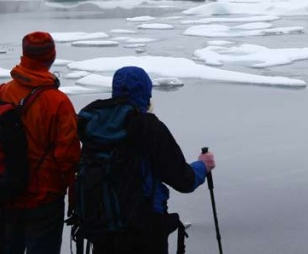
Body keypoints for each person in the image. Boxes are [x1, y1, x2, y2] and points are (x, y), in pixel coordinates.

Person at [77, 66, 216, 254]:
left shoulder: (95, 124)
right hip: (144, 227)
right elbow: (183, 180)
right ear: (145, 92)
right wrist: (202, 166)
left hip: (102, 226)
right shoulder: (147, 126)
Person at [0, 31, 80, 254]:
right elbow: (68, 155)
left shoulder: (4, 92)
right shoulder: (58, 102)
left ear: (24, 55)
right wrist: (71, 191)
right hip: (44, 197)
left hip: (7, 192)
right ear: (51, 57)